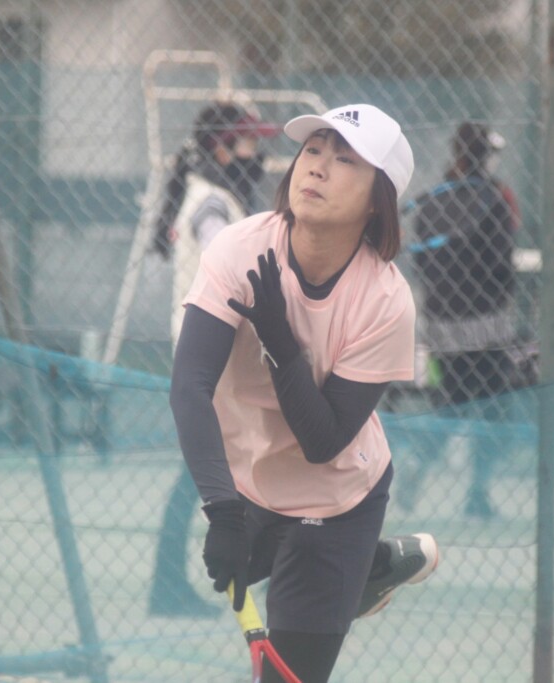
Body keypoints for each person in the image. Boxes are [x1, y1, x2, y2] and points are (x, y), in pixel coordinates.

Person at [169, 104, 439, 682]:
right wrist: (223, 512)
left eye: (345, 160)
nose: (317, 167)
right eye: (312, 150)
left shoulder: (386, 301)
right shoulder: (239, 249)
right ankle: (370, 568)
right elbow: (189, 386)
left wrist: (279, 340)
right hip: (251, 484)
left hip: (336, 499)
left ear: (377, 200)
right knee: (243, 564)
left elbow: (322, 442)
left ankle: (355, 565)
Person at [149, 102, 280, 618]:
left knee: (210, 475)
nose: (257, 153)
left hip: (212, 360)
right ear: (221, 148)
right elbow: (225, 266)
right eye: (248, 142)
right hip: (217, 363)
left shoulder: (213, 195)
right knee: (212, 476)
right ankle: (170, 586)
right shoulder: (213, 206)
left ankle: (171, 585)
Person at [407, 120, 526, 519]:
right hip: (487, 327)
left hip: (441, 328)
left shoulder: (433, 199)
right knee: (494, 411)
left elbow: (423, 264)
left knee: (450, 407)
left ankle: (417, 465)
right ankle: (478, 492)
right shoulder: (493, 199)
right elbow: (501, 264)